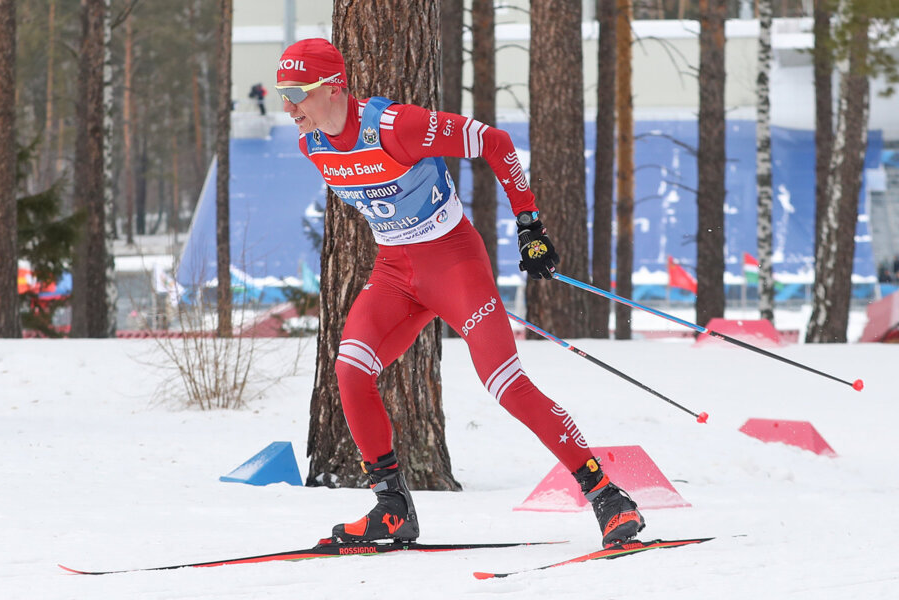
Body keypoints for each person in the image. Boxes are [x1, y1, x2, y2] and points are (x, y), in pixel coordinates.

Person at [276, 38, 645, 548]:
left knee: (506, 384)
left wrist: (530, 226)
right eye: (282, 95)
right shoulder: (312, 144)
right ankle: (392, 507)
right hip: (394, 272)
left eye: (297, 92)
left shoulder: (396, 127)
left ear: (334, 86)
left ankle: (608, 496)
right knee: (350, 369)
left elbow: (494, 142)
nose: (288, 107)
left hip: (452, 262)